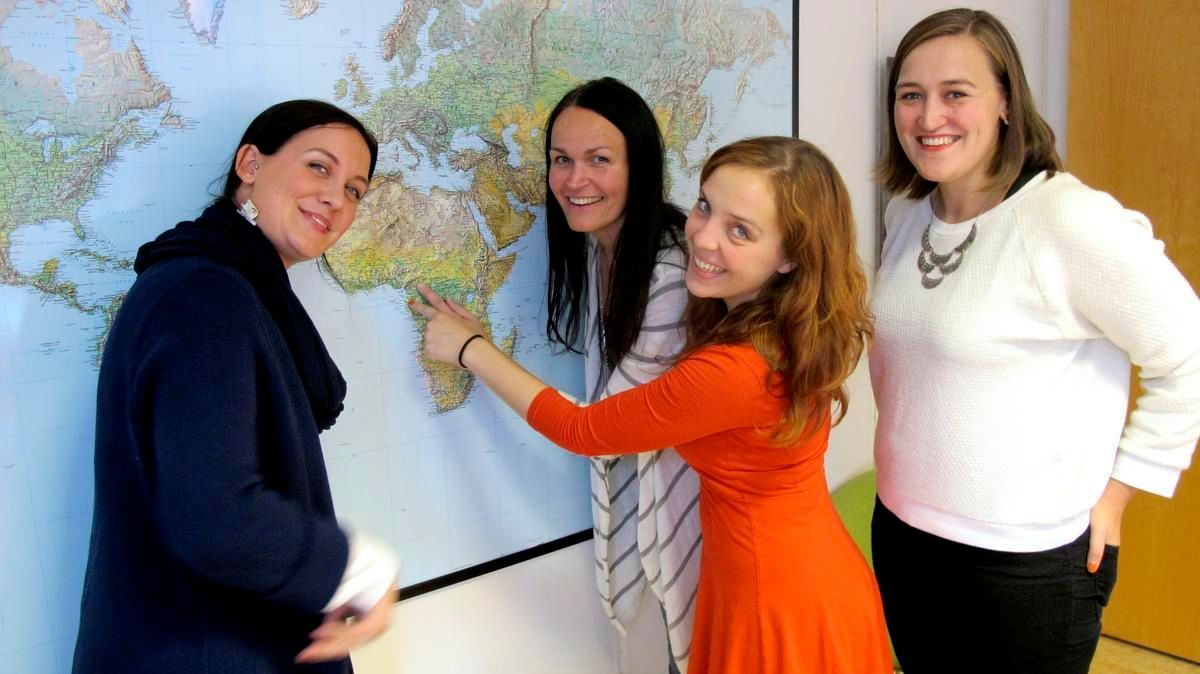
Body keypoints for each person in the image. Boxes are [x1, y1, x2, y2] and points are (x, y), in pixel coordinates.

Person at [413, 136, 892, 674]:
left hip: (773, 601)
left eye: (740, 230)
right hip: (803, 576)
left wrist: (470, 349)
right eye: (705, 206)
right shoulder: (790, 328)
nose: (703, 237)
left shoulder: (734, 371)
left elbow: (582, 430)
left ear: (790, 257)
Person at [870, 8, 1200, 673]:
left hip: (1026, 567)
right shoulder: (907, 215)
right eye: (911, 95)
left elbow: (1187, 351)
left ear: (1005, 103)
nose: (929, 116)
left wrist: (1121, 490)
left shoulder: (1064, 217)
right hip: (904, 536)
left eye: (955, 93)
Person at [73, 100, 400, 673]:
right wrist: (359, 569)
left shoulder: (233, 290)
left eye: (354, 189)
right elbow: (215, 513)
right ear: (250, 164)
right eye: (318, 167)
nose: (336, 198)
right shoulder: (203, 295)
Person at [541, 76, 700, 673]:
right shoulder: (598, 249)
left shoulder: (670, 267)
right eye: (561, 159)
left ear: (640, 167)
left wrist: (472, 349)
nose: (574, 180)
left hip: (714, 525)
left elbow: (606, 428)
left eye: (599, 160)